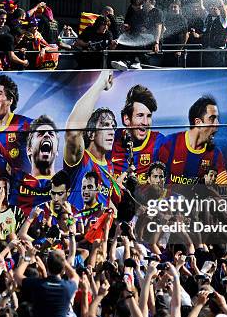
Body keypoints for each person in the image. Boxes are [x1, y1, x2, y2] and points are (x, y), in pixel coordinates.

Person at [64, 71, 122, 209]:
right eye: (105, 125)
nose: (111, 131)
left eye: (113, 127)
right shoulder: (81, 158)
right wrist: (100, 83)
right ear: (90, 134)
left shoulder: (109, 167)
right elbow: (73, 132)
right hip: (76, 229)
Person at [158, 96, 227, 185]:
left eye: (217, 119)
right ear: (198, 122)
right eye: (212, 119)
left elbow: (226, 187)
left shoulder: (215, 154)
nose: (218, 124)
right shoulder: (170, 143)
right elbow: (152, 177)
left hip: (196, 199)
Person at [14, 248, 79, 317]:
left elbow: (17, 275)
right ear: (62, 268)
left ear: (47, 266)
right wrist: (63, 260)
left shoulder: (38, 284)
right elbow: (75, 276)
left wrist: (28, 258)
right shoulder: (67, 288)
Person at [110, 84, 164, 185]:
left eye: (148, 116)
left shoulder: (159, 142)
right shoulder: (111, 140)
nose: (145, 122)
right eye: (140, 115)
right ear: (126, 119)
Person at [8, 115, 59, 215]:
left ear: (57, 150)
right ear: (29, 149)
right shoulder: (18, 180)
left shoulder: (67, 185)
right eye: (40, 134)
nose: (47, 135)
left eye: (51, 134)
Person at [200, 0, 227, 67]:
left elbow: (223, 7)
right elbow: (201, 7)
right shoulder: (208, 16)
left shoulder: (223, 19)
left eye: (216, 8)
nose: (214, 8)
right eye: (213, 7)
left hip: (218, 51)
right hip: (206, 49)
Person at [162, 0, 189, 67]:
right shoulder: (167, 18)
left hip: (176, 49)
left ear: (179, 7)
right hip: (166, 47)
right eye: (171, 7)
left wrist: (179, 49)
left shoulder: (182, 19)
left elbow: (186, 36)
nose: (173, 9)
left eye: (175, 7)